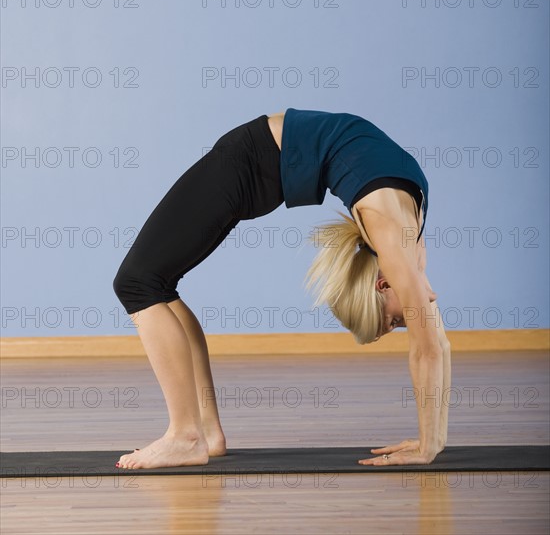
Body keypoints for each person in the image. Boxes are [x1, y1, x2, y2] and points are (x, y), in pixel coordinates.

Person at [113, 108, 451, 470]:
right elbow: (429, 350)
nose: (409, 319)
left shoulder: (404, 246)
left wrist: (432, 441)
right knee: (145, 285)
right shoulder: (396, 240)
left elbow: (434, 344)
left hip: (258, 166)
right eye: (398, 320)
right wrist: (428, 444)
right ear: (383, 284)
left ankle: (191, 436)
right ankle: (198, 435)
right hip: (249, 162)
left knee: (143, 283)